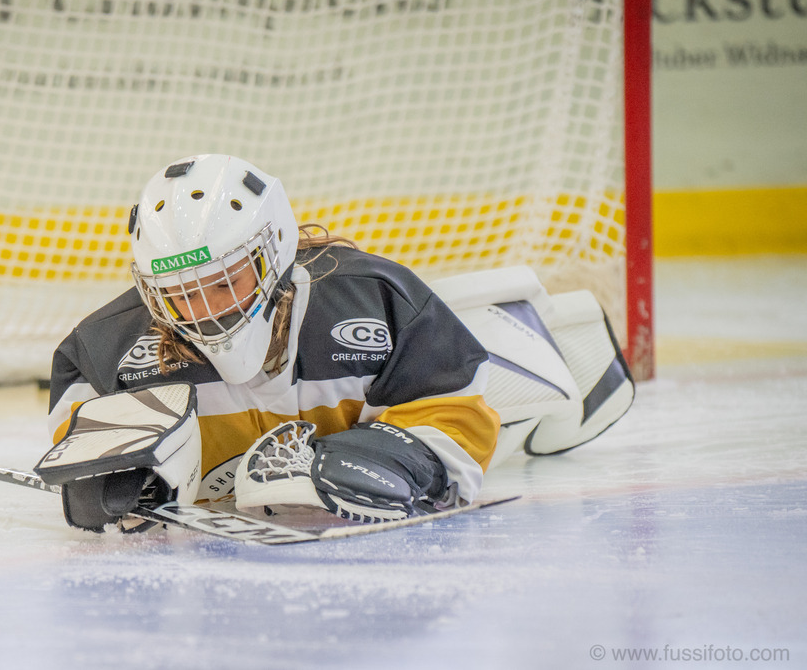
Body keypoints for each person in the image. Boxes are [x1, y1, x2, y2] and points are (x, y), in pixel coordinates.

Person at [39, 154, 634, 532]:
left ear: (272, 252)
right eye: (181, 292)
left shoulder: (374, 300)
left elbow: (460, 413)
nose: (205, 309)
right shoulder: (110, 343)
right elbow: (80, 431)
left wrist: (400, 463)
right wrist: (110, 475)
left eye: (224, 282)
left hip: (472, 381)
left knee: (536, 396)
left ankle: (557, 353)